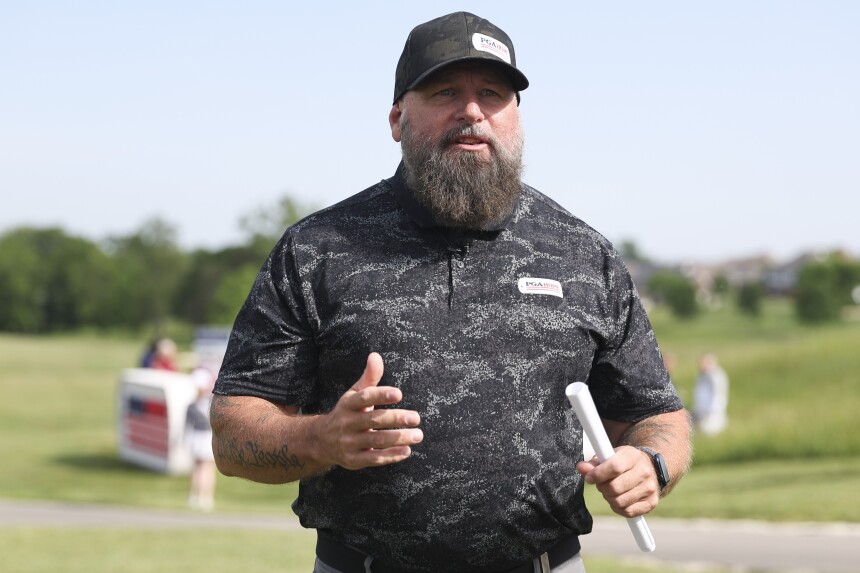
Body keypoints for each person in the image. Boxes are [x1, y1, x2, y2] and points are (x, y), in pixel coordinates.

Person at [211, 11, 692, 573]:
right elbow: (231, 432)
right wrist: (321, 438)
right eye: (445, 92)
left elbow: (659, 415)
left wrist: (650, 462)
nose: (471, 112)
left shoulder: (583, 254)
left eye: (492, 93)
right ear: (397, 118)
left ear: (516, 116)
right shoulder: (317, 249)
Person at [185, 363, 218, 510]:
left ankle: (205, 497)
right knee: (198, 467)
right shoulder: (193, 404)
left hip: (207, 437)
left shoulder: (209, 403)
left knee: (206, 467)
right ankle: (195, 495)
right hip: (197, 437)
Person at [693, 353, 729, 436]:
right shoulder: (701, 375)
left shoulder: (717, 376)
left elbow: (718, 398)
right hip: (700, 412)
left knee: (705, 428)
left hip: (713, 414)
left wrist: (708, 413)